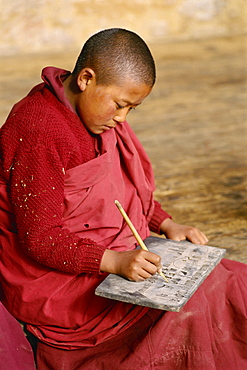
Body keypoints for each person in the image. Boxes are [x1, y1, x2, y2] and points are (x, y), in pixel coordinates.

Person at [0, 28, 246, 369]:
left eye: (133, 108)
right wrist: (115, 262)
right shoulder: (40, 129)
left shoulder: (96, 115)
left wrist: (165, 222)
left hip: (115, 248)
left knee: (234, 281)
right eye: (120, 104)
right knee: (196, 307)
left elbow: (121, 186)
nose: (122, 119)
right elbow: (39, 238)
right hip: (62, 282)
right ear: (86, 78)